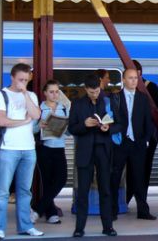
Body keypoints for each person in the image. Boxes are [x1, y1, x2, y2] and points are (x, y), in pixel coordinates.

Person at [0, 63, 43, 240]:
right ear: (12, 77)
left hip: (28, 149)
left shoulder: (31, 95)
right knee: (3, 191)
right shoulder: (0, 95)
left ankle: (25, 226)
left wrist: (25, 94)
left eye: (26, 80)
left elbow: (36, 116)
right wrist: (22, 121)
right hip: (8, 148)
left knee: (25, 191)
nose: (23, 83)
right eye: (20, 80)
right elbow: (2, 121)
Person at [69, 73, 123, 238]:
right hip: (85, 151)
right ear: (86, 89)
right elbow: (72, 128)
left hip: (103, 151)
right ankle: (79, 228)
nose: (95, 94)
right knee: (83, 191)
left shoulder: (108, 101)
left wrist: (108, 129)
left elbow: (120, 124)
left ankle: (108, 226)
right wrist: (84, 125)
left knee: (105, 190)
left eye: (97, 90)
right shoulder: (77, 104)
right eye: (92, 92)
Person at [110, 68, 156, 221]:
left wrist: (146, 140)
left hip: (138, 143)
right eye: (130, 78)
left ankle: (143, 210)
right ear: (123, 79)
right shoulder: (115, 97)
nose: (134, 81)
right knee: (115, 176)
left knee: (139, 178)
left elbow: (148, 121)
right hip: (120, 142)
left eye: (136, 78)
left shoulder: (143, 98)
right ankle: (112, 209)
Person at [32, 80, 69, 225]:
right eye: (52, 92)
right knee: (47, 182)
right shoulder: (39, 109)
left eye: (57, 91)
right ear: (45, 93)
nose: (55, 94)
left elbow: (70, 130)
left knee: (61, 179)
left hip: (59, 148)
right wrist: (39, 126)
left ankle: (37, 209)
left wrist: (65, 128)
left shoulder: (64, 108)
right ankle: (51, 214)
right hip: (44, 148)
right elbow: (31, 130)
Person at [130, 60, 158, 207]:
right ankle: (131, 198)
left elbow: (155, 112)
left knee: (143, 168)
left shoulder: (151, 88)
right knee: (134, 168)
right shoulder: (148, 87)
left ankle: (140, 200)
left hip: (147, 136)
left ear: (139, 73)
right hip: (133, 136)